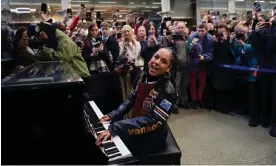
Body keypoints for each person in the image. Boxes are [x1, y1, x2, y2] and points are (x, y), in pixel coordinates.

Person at [96, 48, 177, 156]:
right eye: (156, 57)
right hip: (135, 126)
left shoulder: (168, 92)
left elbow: (153, 120)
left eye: (164, 61)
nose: (157, 62)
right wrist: (112, 115)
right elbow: (130, 100)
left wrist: (117, 126)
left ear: (168, 68)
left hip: (152, 137)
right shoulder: (141, 76)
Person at [18, 22, 90, 81]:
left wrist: (41, 46)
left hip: (79, 77)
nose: (40, 39)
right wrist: (25, 48)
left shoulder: (64, 41)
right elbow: (40, 56)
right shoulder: (52, 41)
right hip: (68, 78)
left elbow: (61, 59)